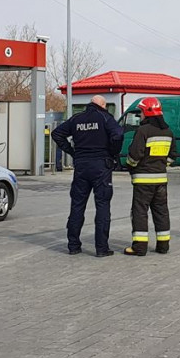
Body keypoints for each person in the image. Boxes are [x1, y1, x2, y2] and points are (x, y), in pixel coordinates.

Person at [51, 95, 124, 256]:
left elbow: (56, 134)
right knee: (102, 205)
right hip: (101, 167)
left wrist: (72, 151)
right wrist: (112, 153)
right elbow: (118, 134)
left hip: (81, 167)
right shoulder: (105, 117)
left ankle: (73, 246)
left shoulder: (77, 119)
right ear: (103, 105)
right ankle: (101, 248)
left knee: (77, 205)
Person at [123, 98, 177, 256]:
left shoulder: (143, 131)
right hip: (161, 180)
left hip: (143, 180)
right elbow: (173, 155)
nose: (140, 115)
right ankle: (163, 245)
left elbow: (134, 155)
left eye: (141, 112)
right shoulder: (168, 131)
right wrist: (161, 165)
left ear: (146, 112)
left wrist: (130, 166)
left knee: (140, 212)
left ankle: (139, 247)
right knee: (161, 212)